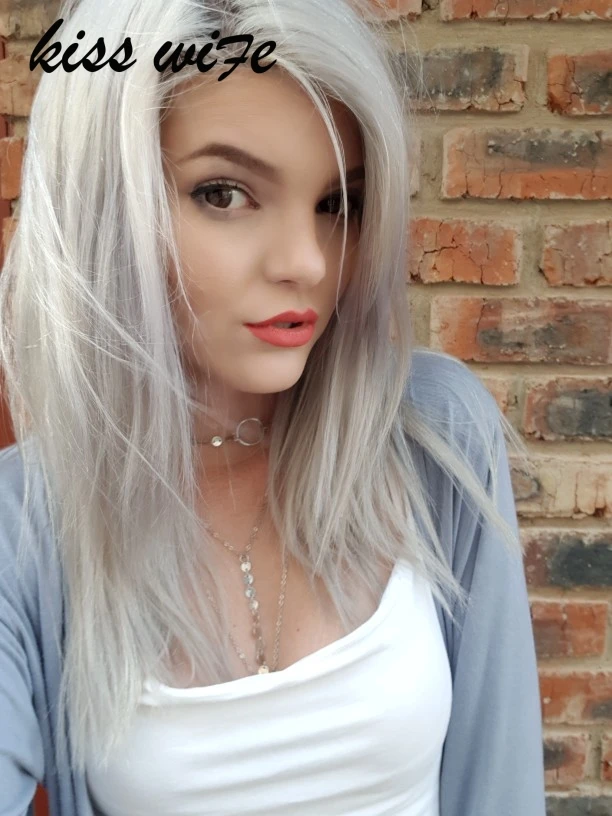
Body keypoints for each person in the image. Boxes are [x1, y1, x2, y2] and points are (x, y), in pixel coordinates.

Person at [0, 0, 547, 814]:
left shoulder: (434, 435)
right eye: (224, 193)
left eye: (337, 204)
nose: (307, 264)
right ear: (105, 203)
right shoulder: (26, 530)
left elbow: (501, 788)